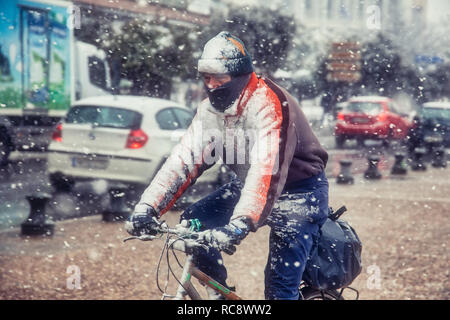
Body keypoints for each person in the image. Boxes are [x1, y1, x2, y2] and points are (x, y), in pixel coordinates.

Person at [125, 31, 329, 300]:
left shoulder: (269, 103)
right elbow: (183, 160)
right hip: (248, 185)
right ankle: (220, 296)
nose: (210, 85)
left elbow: (265, 169)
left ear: (239, 75)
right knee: (191, 225)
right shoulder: (209, 111)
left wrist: (239, 224)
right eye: (205, 78)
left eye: (218, 77)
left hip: (300, 194)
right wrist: (147, 208)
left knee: (280, 289)